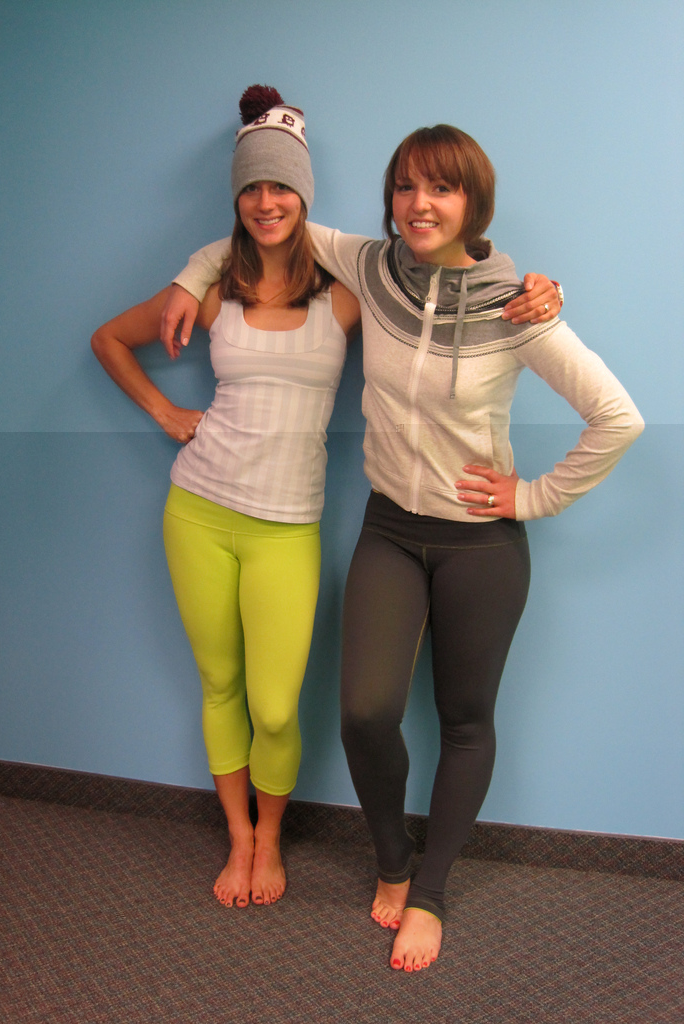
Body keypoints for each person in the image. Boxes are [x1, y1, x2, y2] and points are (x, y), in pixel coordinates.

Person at [162, 124, 643, 971]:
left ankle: (431, 892)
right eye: (406, 186)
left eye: (442, 188)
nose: (421, 204)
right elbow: (270, 227)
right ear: (390, 198)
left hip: (481, 546)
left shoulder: (515, 307)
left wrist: (531, 498)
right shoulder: (369, 266)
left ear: (472, 202)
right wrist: (190, 274)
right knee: (365, 712)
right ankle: (393, 861)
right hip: (389, 529)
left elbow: (618, 419)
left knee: (465, 720)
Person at [91, 86, 360, 910]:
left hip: (287, 528)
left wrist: (538, 292)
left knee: (274, 707)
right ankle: (240, 836)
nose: (266, 202)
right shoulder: (209, 289)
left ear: (304, 194)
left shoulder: (345, 293)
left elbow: (424, 274)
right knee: (220, 685)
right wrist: (167, 412)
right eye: (251, 188)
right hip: (199, 512)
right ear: (236, 198)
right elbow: (109, 339)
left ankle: (272, 836)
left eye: (280, 187)